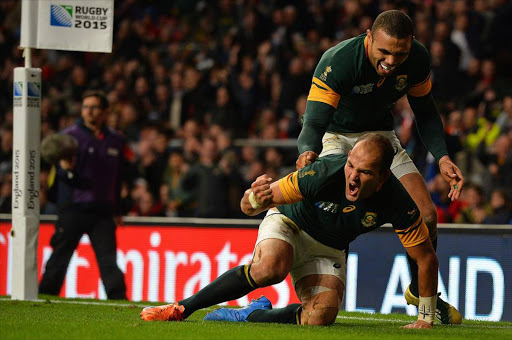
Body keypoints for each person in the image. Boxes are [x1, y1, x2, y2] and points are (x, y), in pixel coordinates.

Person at [140, 134, 450, 329]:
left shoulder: (397, 201)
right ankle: (182, 308)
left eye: (364, 172)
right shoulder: (325, 172)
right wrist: (253, 197)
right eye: (351, 166)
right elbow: (250, 207)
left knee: (321, 317)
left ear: (383, 178)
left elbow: (426, 259)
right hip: (291, 224)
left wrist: (425, 317)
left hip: (330, 248)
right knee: (270, 269)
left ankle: (250, 314)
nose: (352, 177)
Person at [295, 10, 464, 323]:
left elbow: (425, 112)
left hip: (380, 139)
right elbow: (315, 120)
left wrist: (441, 156)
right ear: (369, 38)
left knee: (427, 216)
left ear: (411, 45)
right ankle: (319, 292)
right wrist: (307, 151)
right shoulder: (339, 61)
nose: (390, 61)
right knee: (340, 216)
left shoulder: (417, 60)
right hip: (336, 137)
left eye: (399, 54)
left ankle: (419, 291)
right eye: (383, 52)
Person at [39, 90, 127, 300]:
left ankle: (120, 301)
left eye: (94, 107)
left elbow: (118, 177)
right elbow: (59, 176)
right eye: (86, 107)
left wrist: (117, 210)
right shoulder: (69, 137)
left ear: (105, 112)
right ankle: (44, 295)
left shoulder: (116, 140)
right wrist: (67, 170)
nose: (89, 112)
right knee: (60, 257)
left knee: (108, 260)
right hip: (73, 209)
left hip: (103, 211)